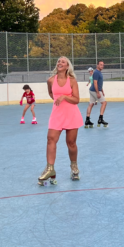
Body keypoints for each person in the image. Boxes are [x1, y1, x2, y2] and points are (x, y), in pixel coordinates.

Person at [38, 56, 83, 185]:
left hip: (71, 114)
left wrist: (64, 97)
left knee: (71, 143)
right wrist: (58, 98)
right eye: (58, 61)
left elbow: (76, 100)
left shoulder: (72, 80)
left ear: (67, 66)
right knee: (50, 139)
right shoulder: (50, 80)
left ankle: (74, 167)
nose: (60, 63)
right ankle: (50, 169)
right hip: (57, 114)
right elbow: (52, 94)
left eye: (63, 62)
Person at [85, 61, 108, 128]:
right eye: (100, 65)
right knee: (104, 103)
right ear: (97, 65)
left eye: (103, 65)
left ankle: (87, 120)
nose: (102, 66)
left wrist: (102, 91)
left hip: (92, 90)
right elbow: (95, 83)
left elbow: (99, 83)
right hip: (95, 90)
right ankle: (100, 119)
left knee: (91, 104)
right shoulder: (96, 73)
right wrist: (98, 92)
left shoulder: (98, 72)